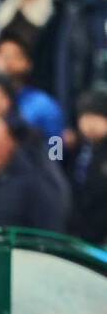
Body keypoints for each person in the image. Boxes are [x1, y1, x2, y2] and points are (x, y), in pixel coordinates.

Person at [66, 87, 107, 244]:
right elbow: (52, 163)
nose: (90, 124)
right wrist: (57, 138)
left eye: (96, 117)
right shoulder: (76, 148)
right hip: (77, 230)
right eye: (85, 117)